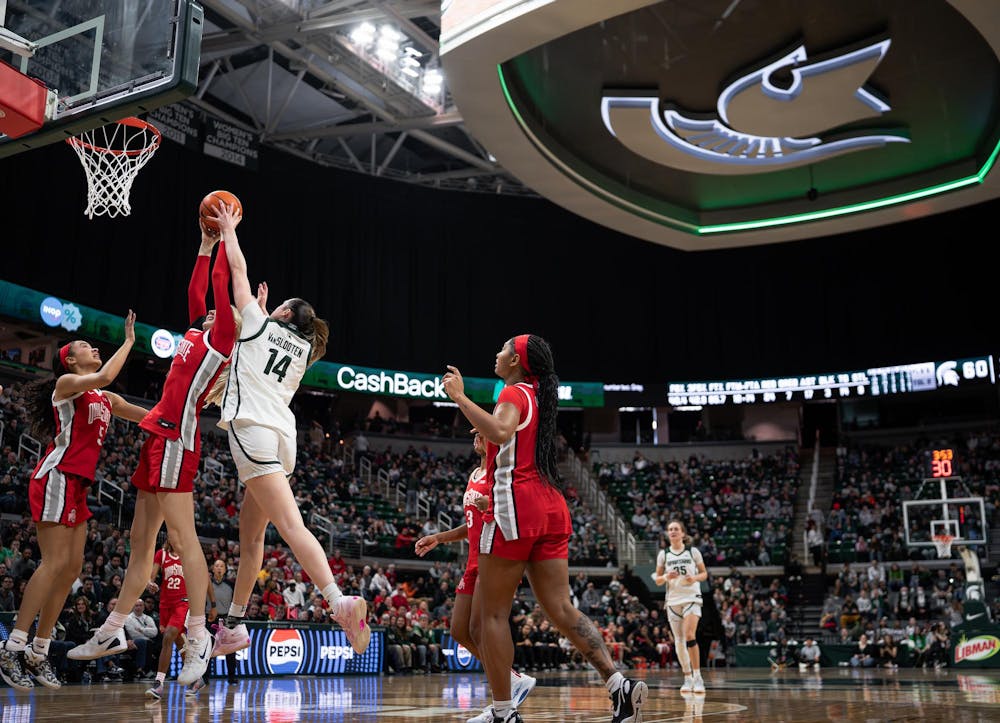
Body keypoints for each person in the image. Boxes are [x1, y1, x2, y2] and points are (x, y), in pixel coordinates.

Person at [68, 213, 238, 690]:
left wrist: (226, 236)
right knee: (140, 547)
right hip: (155, 439)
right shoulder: (195, 332)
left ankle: (201, 634)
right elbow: (198, 290)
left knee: (184, 543)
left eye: (216, 313)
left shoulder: (222, 339)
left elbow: (220, 289)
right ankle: (112, 630)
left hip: (175, 442)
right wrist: (203, 246)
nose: (207, 311)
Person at [442, 334, 646, 723]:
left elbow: (499, 433)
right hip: (550, 505)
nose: (497, 354)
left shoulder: (514, 393)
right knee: (561, 608)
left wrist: (460, 398)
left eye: (504, 349)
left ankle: (503, 711)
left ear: (517, 361)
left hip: (516, 506)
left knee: (491, 617)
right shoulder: (538, 395)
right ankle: (617, 684)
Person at [211, 207, 370, 659]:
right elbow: (261, 340)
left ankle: (338, 600)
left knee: (290, 525)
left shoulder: (260, 325)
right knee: (252, 538)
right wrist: (263, 313)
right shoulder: (303, 349)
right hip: (282, 440)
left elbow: (237, 269)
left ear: (282, 313)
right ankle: (235, 625)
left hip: (254, 430)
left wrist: (229, 231)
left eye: (279, 306)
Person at [0, 312, 147, 692]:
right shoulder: (68, 384)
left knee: (71, 571)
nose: (93, 347)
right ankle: (11, 645)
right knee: (53, 565)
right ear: (69, 360)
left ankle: (38, 650)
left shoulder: (104, 397)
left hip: (78, 485)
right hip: (56, 475)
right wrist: (129, 342)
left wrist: (180, 418)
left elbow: (145, 415)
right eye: (85, 346)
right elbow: (104, 376)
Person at [415, 429, 537, 723]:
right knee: (459, 630)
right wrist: (439, 538)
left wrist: (491, 508)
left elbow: (515, 515)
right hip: (473, 557)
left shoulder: (502, 475)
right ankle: (511, 679)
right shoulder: (474, 474)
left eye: (481, 434)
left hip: (494, 556)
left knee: (482, 628)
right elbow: (469, 523)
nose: (475, 437)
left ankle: (502, 702)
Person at [654, 520, 708, 694]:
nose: (672, 532)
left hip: (691, 596)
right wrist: (667, 577)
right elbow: (657, 579)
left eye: (676, 529)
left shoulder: (693, 552)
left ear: (683, 533)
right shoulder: (664, 554)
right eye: (670, 529)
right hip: (672, 600)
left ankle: (698, 676)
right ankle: (687, 677)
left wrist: (695, 578)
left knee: (690, 635)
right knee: (678, 641)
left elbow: (704, 574)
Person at [144, 536, 191, 699]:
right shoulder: (161, 554)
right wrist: (150, 582)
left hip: (182, 602)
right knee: (178, 641)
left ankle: (158, 683)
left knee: (168, 637)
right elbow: (152, 575)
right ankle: (196, 677)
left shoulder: (187, 554)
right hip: (165, 604)